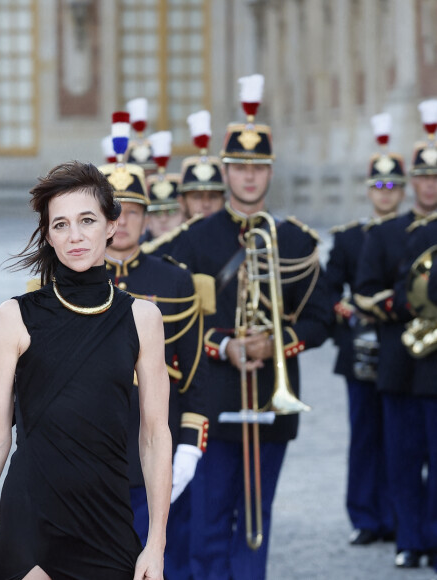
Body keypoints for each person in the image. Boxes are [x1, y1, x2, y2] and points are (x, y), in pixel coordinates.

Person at [0, 161, 172, 580]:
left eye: (87, 220)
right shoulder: (15, 316)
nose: (74, 236)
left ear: (112, 224)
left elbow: (154, 436)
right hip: (30, 518)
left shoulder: (143, 319)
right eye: (60, 225)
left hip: (108, 521)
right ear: (48, 234)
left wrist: (156, 543)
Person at [172, 75, 331, 580]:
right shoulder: (195, 240)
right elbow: (180, 321)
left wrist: (276, 342)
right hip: (212, 401)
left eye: (257, 169)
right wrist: (224, 344)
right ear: (224, 171)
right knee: (209, 522)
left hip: (270, 399)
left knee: (255, 525)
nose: (248, 178)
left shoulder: (297, 242)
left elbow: (323, 318)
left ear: (269, 174)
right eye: (239, 168)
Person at [99, 157, 209, 580]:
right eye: (113, 211)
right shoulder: (70, 280)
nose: (123, 222)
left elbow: (195, 371)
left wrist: (189, 444)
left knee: (166, 558)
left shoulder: (176, 281)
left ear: (147, 218)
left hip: (156, 441)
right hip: (95, 443)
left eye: (133, 212)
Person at [354, 101, 437, 568]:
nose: (429, 185)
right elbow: (366, 292)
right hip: (401, 360)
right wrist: (413, 303)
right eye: (423, 177)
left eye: (435, 178)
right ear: (413, 184)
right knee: (402, 459)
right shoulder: (387, 234)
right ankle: (410, 538)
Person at [325, 114, 403, 546]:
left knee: (401, 438)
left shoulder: (411, 234)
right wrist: (349, 313)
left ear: (402, 191)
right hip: (361, 348)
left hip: (402, 348)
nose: (385, 193)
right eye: (379, 185)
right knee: (364, 436)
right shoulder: (350, 238)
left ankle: (397, 514)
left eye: (393, 186)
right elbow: (331, 288)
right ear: (369, 189)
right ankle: (365, 515)